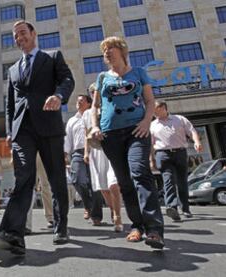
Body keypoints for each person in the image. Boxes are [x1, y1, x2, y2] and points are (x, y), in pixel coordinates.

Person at [0, 20, 74, 255]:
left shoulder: (52, 57)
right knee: (23, 178)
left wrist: (58, 95)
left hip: (49, 126)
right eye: (15, 36)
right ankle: (12, 233)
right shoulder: (13, 69)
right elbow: (10, 105)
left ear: (33, 34)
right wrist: (9, 131)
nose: (19, 38)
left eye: (23, 33)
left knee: (56, 179)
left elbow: (67, 80)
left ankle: (61, 225)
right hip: (22, 131)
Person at [90, 36, 164, 249]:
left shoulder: (138, 72)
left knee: (140, 172)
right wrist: (95, 127)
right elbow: (95, 107)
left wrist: (146, 122)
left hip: (136, 131)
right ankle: (137, 226)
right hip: (110, 134)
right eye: (104, 49)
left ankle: (154, 230)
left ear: (122, 51)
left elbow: (150, 101)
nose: (107, 52)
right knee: (124, 182)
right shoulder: (102, 77)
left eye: (111, 48)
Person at [150, 100, 202, 220]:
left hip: (180, 153)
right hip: (162, 154)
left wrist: (197, 142)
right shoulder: (153, 125)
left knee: (182, 182)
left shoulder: (180, 119)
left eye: (155, 109)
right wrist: (151, 159)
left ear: (163, 108)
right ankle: (172, 207)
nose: (153, 113)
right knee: (168, 181)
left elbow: (192, 131)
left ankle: (185, 209)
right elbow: (150, 144)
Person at [83, 84, 123, 232]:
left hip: (113, 149)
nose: (95, 94)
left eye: (97, 92)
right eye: (92, 92)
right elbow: (86, 134)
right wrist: (86, 152)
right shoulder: (87, 114)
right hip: (96, 151)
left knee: (113, 183)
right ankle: (113, 209)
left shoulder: (111, 105)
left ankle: (117, 215)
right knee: (103, 187)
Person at [64, 94, 104, 225]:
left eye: (82, 101)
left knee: (95, 184)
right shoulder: (72, 121)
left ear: (88, 103)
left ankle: (96, 215)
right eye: (77, 101)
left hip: (94, 151)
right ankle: (88, 205)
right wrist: (65, 153)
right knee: (77, 180)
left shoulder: (93, 116)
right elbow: (68, 139)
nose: (78, 103)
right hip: (77, 153)